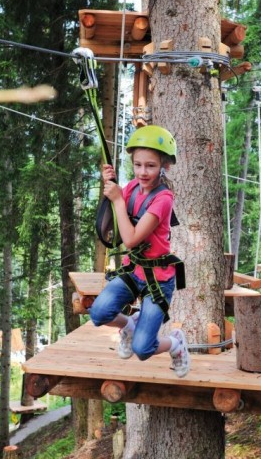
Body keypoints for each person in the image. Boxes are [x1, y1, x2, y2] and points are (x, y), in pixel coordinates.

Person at [89, 125, 191, 378]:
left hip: (158, 279)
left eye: (151, 166)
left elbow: (132, 239)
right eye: (138, 165)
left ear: (164, 166)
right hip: (133, 271)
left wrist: (117, 200)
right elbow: (114, 218)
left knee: (143, 349)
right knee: (99, 313)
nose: (143, 172)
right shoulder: (132, 188)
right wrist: (110, 186)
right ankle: (130, 325)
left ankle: (176, 344)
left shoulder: (163, 199)